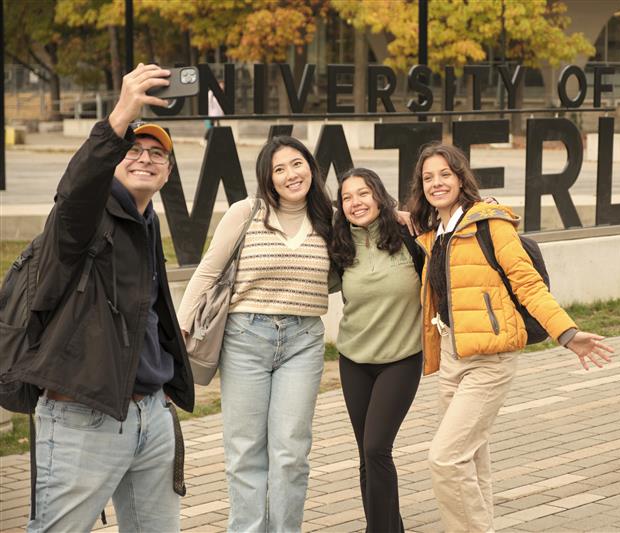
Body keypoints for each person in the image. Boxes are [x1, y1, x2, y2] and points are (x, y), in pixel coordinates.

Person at [23, 63, 195, 532]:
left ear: (168, 173)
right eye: (133, 150)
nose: (144, 159)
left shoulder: (148, 222)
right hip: (84, 416)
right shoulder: (83, 219)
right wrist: (122, 113)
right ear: (114, 159)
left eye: (156, 154)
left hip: (151, 415)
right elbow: (76, 188)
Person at [408, 143, 614, 533]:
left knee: (445, 458)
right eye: (428, 177)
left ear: (460, 178)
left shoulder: (490, 223)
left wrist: (567, 334)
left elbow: (528, 285)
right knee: (469, 459)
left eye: (444, 175)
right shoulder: (436, 232)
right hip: (453, 354)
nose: (436, 183)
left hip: (491, 358)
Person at [177, 135, 334, 532]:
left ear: (311, 168)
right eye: (279, 169)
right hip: (246, 338)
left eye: (296, 164)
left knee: (291, 453)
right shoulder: (246, 212)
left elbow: (374, 225)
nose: (290, 175)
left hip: (304, 342)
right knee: (245, 452)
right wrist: (178, 331)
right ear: (268, 177)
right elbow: (208, 271)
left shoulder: (329, 218)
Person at [330, 168, 424, 533]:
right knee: (368, 458)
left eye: (364, 193)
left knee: (375, 449)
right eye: (348, 197)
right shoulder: (339, 245)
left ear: (380, 196)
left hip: (401, 358)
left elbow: (453, 225)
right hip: (354, 360)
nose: (356, 203)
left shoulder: (408, 234)